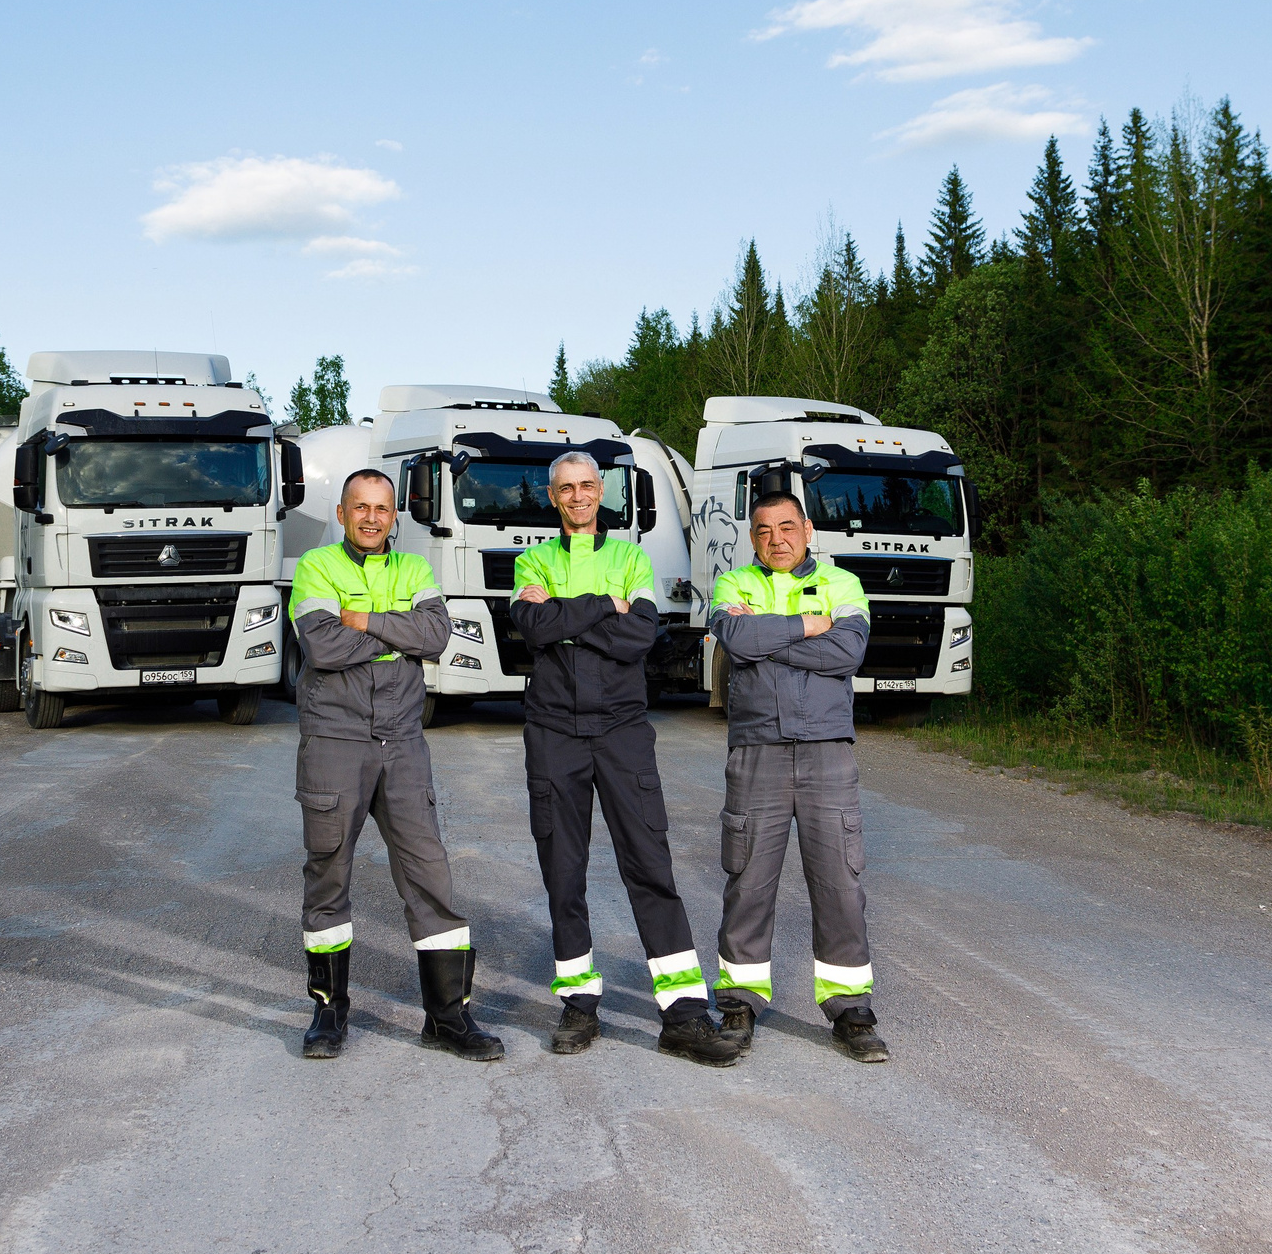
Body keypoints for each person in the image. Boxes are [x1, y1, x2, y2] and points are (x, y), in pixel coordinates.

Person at [511, 450, 742, 1066]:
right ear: (553, 496)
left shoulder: (631, 557)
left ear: (601, 490)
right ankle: (579, 1005)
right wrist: (600, 608)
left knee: (649, 863)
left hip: (621, 730)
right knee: (564, 869)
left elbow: (640, 635)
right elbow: (529, 629)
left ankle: (684, 1015)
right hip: (554, 730)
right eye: (567, 488)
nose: (579, 496)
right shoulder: (532, 558)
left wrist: (563, 615)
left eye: (588, 485)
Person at [287, 468, 503, 1062]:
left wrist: (363, 620)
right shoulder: (316, 566)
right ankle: (328, 1012)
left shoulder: (415, 569)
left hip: (404, 742)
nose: (372, 518)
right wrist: (397, 633)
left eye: (382, 508)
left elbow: (437, 636)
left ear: (394, 516)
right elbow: (322, 647)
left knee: (430, 873)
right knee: (329, 870)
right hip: (336, 740)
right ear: (342, 512)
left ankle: (448, 1016)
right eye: (361, 507)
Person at [707, 490, 889, 1062]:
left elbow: (848, 654)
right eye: (763, 531)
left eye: (787, 527)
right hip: (756, 751)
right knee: (748, 880)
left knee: (839, 881)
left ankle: (850, 1009)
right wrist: (809, 626)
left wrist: (771, 637)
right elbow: (735, 641)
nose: (776, 540)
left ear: (807, 530)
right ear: (752, 537)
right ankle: (738, 1002)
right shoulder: (734, 584)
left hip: (826, 752)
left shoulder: (843, 583)